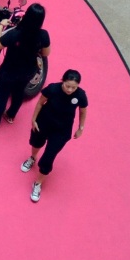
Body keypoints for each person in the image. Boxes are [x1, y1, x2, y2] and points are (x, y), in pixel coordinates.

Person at [22, 69, 88, 203]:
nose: (70, 90)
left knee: (49, 156)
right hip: (44, 122)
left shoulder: (80, 95)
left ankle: (38, 184)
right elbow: (40, 102)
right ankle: (32, 158)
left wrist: (81, 128)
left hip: (62, 130)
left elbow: (83, 111)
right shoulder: (52, 89)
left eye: (73, 87)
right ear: (62, 81)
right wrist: (34, 119)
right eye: (67, 86)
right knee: (36, 143)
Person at [0, 3, 50, 128]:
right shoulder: (43, 35)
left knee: (2, 95)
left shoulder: (15, 33)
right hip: (28, 71)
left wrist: (0, 26)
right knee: (18, 93)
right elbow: (46, 53)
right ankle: (10, 115)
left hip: (9, 71)